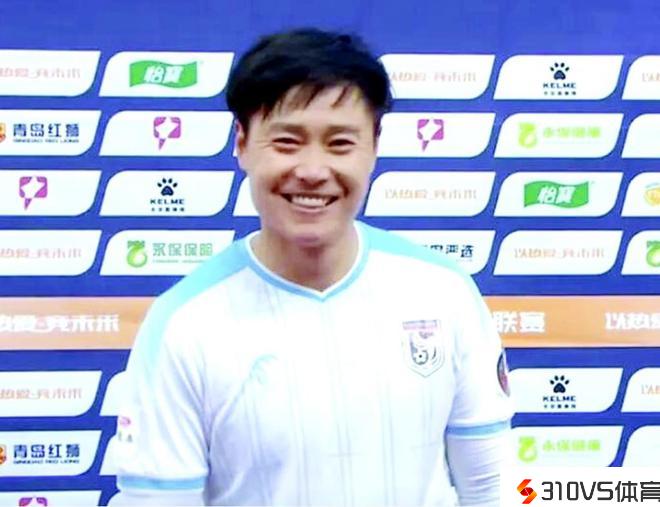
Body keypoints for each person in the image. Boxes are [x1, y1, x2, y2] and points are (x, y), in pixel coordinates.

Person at [112, 28, 513, 507]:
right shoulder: (184, 325)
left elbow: (492, 485)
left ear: (374, 147)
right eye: (287, 141)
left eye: (340, 143)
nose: (313, 170)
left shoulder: (444, 293)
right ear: (241, 143)